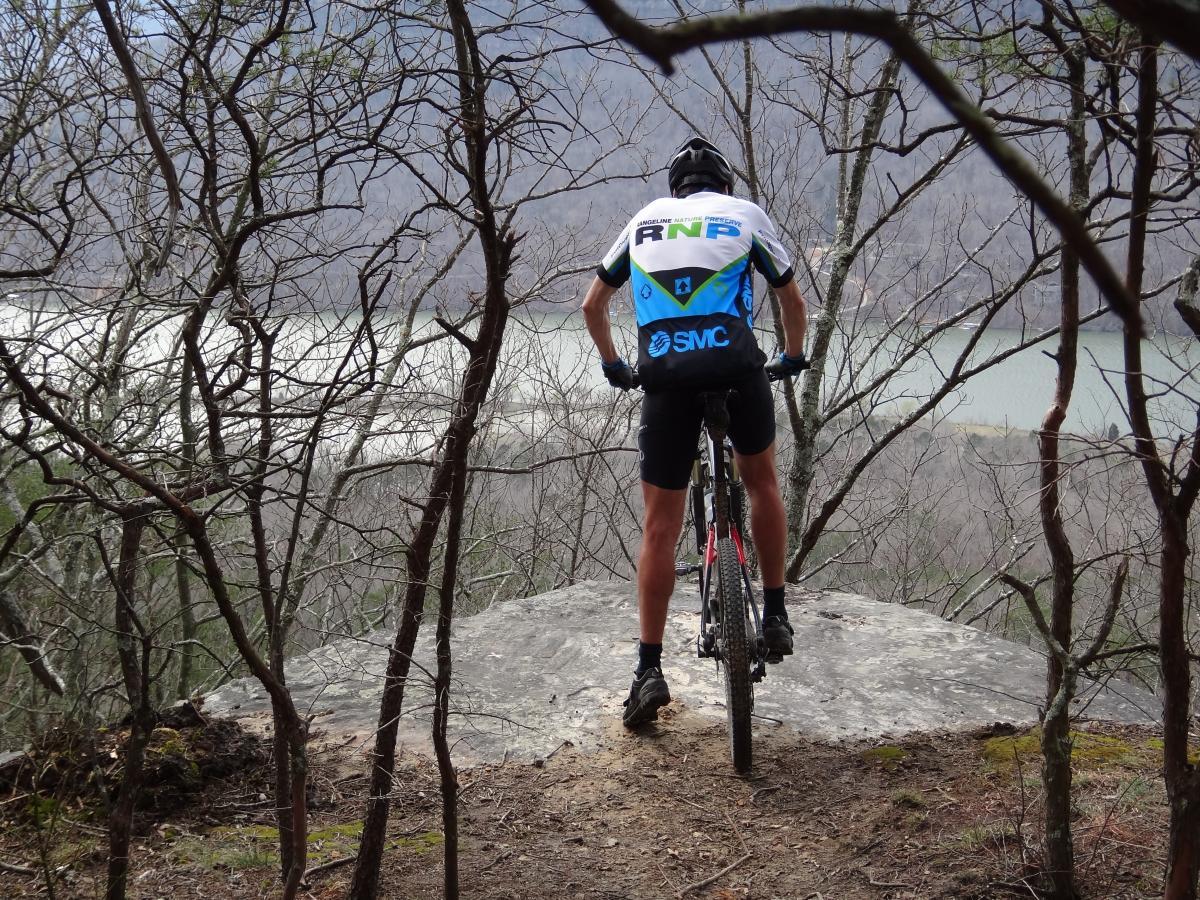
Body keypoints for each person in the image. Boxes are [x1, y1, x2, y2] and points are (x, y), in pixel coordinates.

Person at [580, 136, 809, 728]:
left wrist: (614, 367)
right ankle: (778, 612)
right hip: (737, 370)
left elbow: (592, 305)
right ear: (723, 189)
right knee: (761, 483)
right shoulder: (744, 216)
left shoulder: (645, 221)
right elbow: (790, 296)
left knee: (659, 527)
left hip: (665, 378)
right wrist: (792, 356)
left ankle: (648, 671)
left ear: (674, 189)